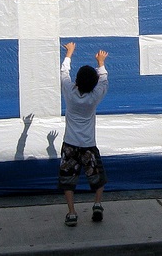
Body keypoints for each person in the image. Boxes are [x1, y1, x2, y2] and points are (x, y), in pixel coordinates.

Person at [59, 42, 109, 227]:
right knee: (98, 176)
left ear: (77, 81)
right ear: (93, 84)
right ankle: (97, 204)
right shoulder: (95, 97)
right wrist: (101, 62)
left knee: (68, 180)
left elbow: (64, 74)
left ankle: (72, 213)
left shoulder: (69, 93)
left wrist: (69, 53)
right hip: (88, 144)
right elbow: (104, 81)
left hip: (70, 144)